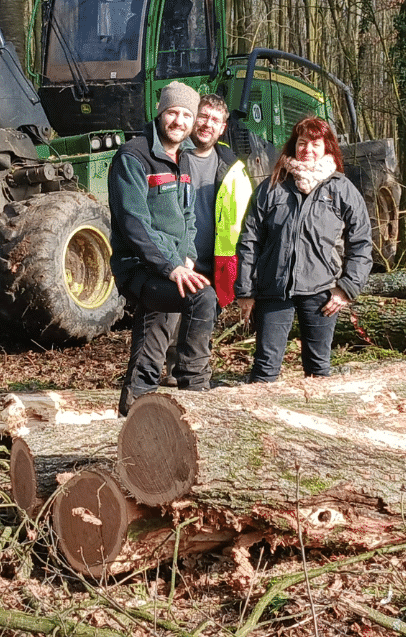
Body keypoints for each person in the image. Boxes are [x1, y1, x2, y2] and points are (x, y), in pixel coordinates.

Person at [234, 117, 373, 382]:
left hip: (322, 291)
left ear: (327, 148)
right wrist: (245, 290)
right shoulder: (272, 186)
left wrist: (347, 288)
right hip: (274, 288)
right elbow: (249, 239)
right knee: (264, 368)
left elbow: (362, 242)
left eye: (315, 143)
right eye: (301, 143)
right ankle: (260, 421)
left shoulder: (341, 189)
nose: (307, 149)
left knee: (318, 368)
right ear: (292, 146)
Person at [109, 81, 218, 413]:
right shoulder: (133, 157)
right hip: (140, 268)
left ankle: (134, 405)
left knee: (156, 327)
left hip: (172, 266)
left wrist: (186, 255)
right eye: (173, 112)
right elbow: (134, 223)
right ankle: (194, 385)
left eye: (187, 114)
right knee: (202, 297)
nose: (180, 121)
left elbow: (188, 217)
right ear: (160, 113)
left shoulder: (182, 158)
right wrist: (172, 266)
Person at [157, 94, 255, 385]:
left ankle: (193, 381)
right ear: (192, 118)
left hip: (214, 263)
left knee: (201, 328)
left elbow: (244, 221)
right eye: (203, 116)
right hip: (175, 259)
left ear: (222, 128)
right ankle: (169, 380)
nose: (207, 124)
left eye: (215, 120)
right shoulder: (173, 156)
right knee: (168, 327)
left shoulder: (233, 167)